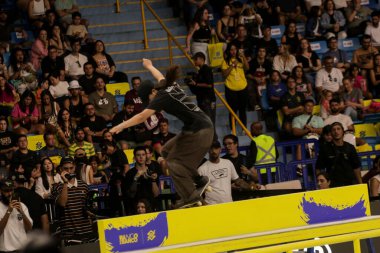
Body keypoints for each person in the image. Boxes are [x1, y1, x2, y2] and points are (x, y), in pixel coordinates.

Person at [110, 59, 214, 208]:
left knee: (173, 163)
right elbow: (159, 76)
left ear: (153, 92)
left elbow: (141, 117)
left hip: (200, 131)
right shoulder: (167, 84)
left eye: (150, 101)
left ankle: (190, 196)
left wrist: (120, 126)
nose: (152, 105)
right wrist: (149, 66)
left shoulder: (160, 96)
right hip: (194, 128)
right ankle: (199, 180)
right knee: (165, 150)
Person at [51, 156, 94, 241]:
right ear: (60, 170)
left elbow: (88, 208)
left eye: (71, 168)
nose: (69, 171)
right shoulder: (56, 188)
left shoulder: (83, 185)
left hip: (87, 231)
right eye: (66, 168)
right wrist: (65, 183)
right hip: (69, 235)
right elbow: (62, 203)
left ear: (75, 168)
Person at [316, 122, 362, 187]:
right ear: (331, 133)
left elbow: (356, 168)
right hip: (333, 185)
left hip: (350, 183)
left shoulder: (350, 147)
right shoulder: (325, 149)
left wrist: (360, 184)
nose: (336, 131)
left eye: (338, 129)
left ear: (343, 131)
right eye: (333, 130)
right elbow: (318, 168)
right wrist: (320, 184)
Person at [0, 179, 33, 252]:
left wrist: (22, 213)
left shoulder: (22, 206)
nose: (10, 193)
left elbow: (29, 229)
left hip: (22, 249)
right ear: (1, 191)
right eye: (6, 191)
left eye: (11, 190)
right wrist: (8, 211)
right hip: (6, 250)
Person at [124, 146, 159, 214]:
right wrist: (136, 178)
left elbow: (156, 194)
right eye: (138, 155)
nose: (141, 157)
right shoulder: (130, 173)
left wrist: (153, 180)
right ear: (134, 157)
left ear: (146, 156)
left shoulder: (151, 171)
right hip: (136, 207)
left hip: (150, 206)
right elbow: (131, 194)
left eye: (143, 155)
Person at [221, 42, 249, 128]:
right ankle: (232, 129)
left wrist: (243, 56)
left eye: (235, 49)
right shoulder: (225, 61)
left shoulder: (241, 59)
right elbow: (224, 75)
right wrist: (233, 65)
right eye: (231, 50)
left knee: (242, 110)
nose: (233, 51)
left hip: (243, 88)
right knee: (233, 111)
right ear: (228, 51)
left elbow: (247, 68)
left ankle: (244, 129)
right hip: (230, 89)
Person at [188, 52, 216, 130]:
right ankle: (212, 140)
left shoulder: (206, 69)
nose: (194, 62)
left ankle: (214, 141)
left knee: (209, 123)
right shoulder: (201, 70)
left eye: (195, 59)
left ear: (201, 59)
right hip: (203, 100)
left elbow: (209, 84)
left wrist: (196, 84)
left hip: (207, 100)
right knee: (207, 123)